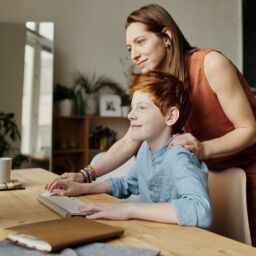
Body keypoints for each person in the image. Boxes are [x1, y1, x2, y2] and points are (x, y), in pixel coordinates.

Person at [47, 4, 256, 244]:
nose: (133, 54)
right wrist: (84, 176)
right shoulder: (159, 83)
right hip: (209, 174)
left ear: (166, 37)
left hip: (248, 172)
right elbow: (129, 141)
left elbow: (249, 130)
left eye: (140, 42)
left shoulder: (210, 64)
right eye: (129, 47)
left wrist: (203, 149)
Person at [48, 71, 212, 227]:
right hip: (153, 234)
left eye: (142, 107)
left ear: (170, 116)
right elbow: (128, 183)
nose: (131, 115)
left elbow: (200, 210)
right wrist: (83, 187)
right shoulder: (145, 150)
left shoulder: (179, 156)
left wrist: (129, 209)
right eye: (132, 107)